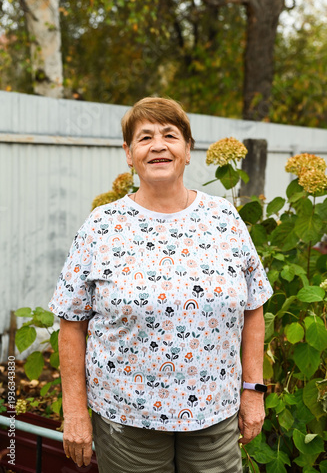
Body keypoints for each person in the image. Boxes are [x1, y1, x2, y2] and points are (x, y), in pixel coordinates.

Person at [49, 97, 273, 472]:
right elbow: (71, 322)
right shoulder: (102, 226)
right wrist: (74, 412)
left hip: (214, 416)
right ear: (129, 153)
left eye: (170, 135)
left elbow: (254, 307)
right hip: (127, 421)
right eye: (144, 137)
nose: (158, 145)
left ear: (187, 150)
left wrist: (253, 393)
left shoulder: (225, 220)